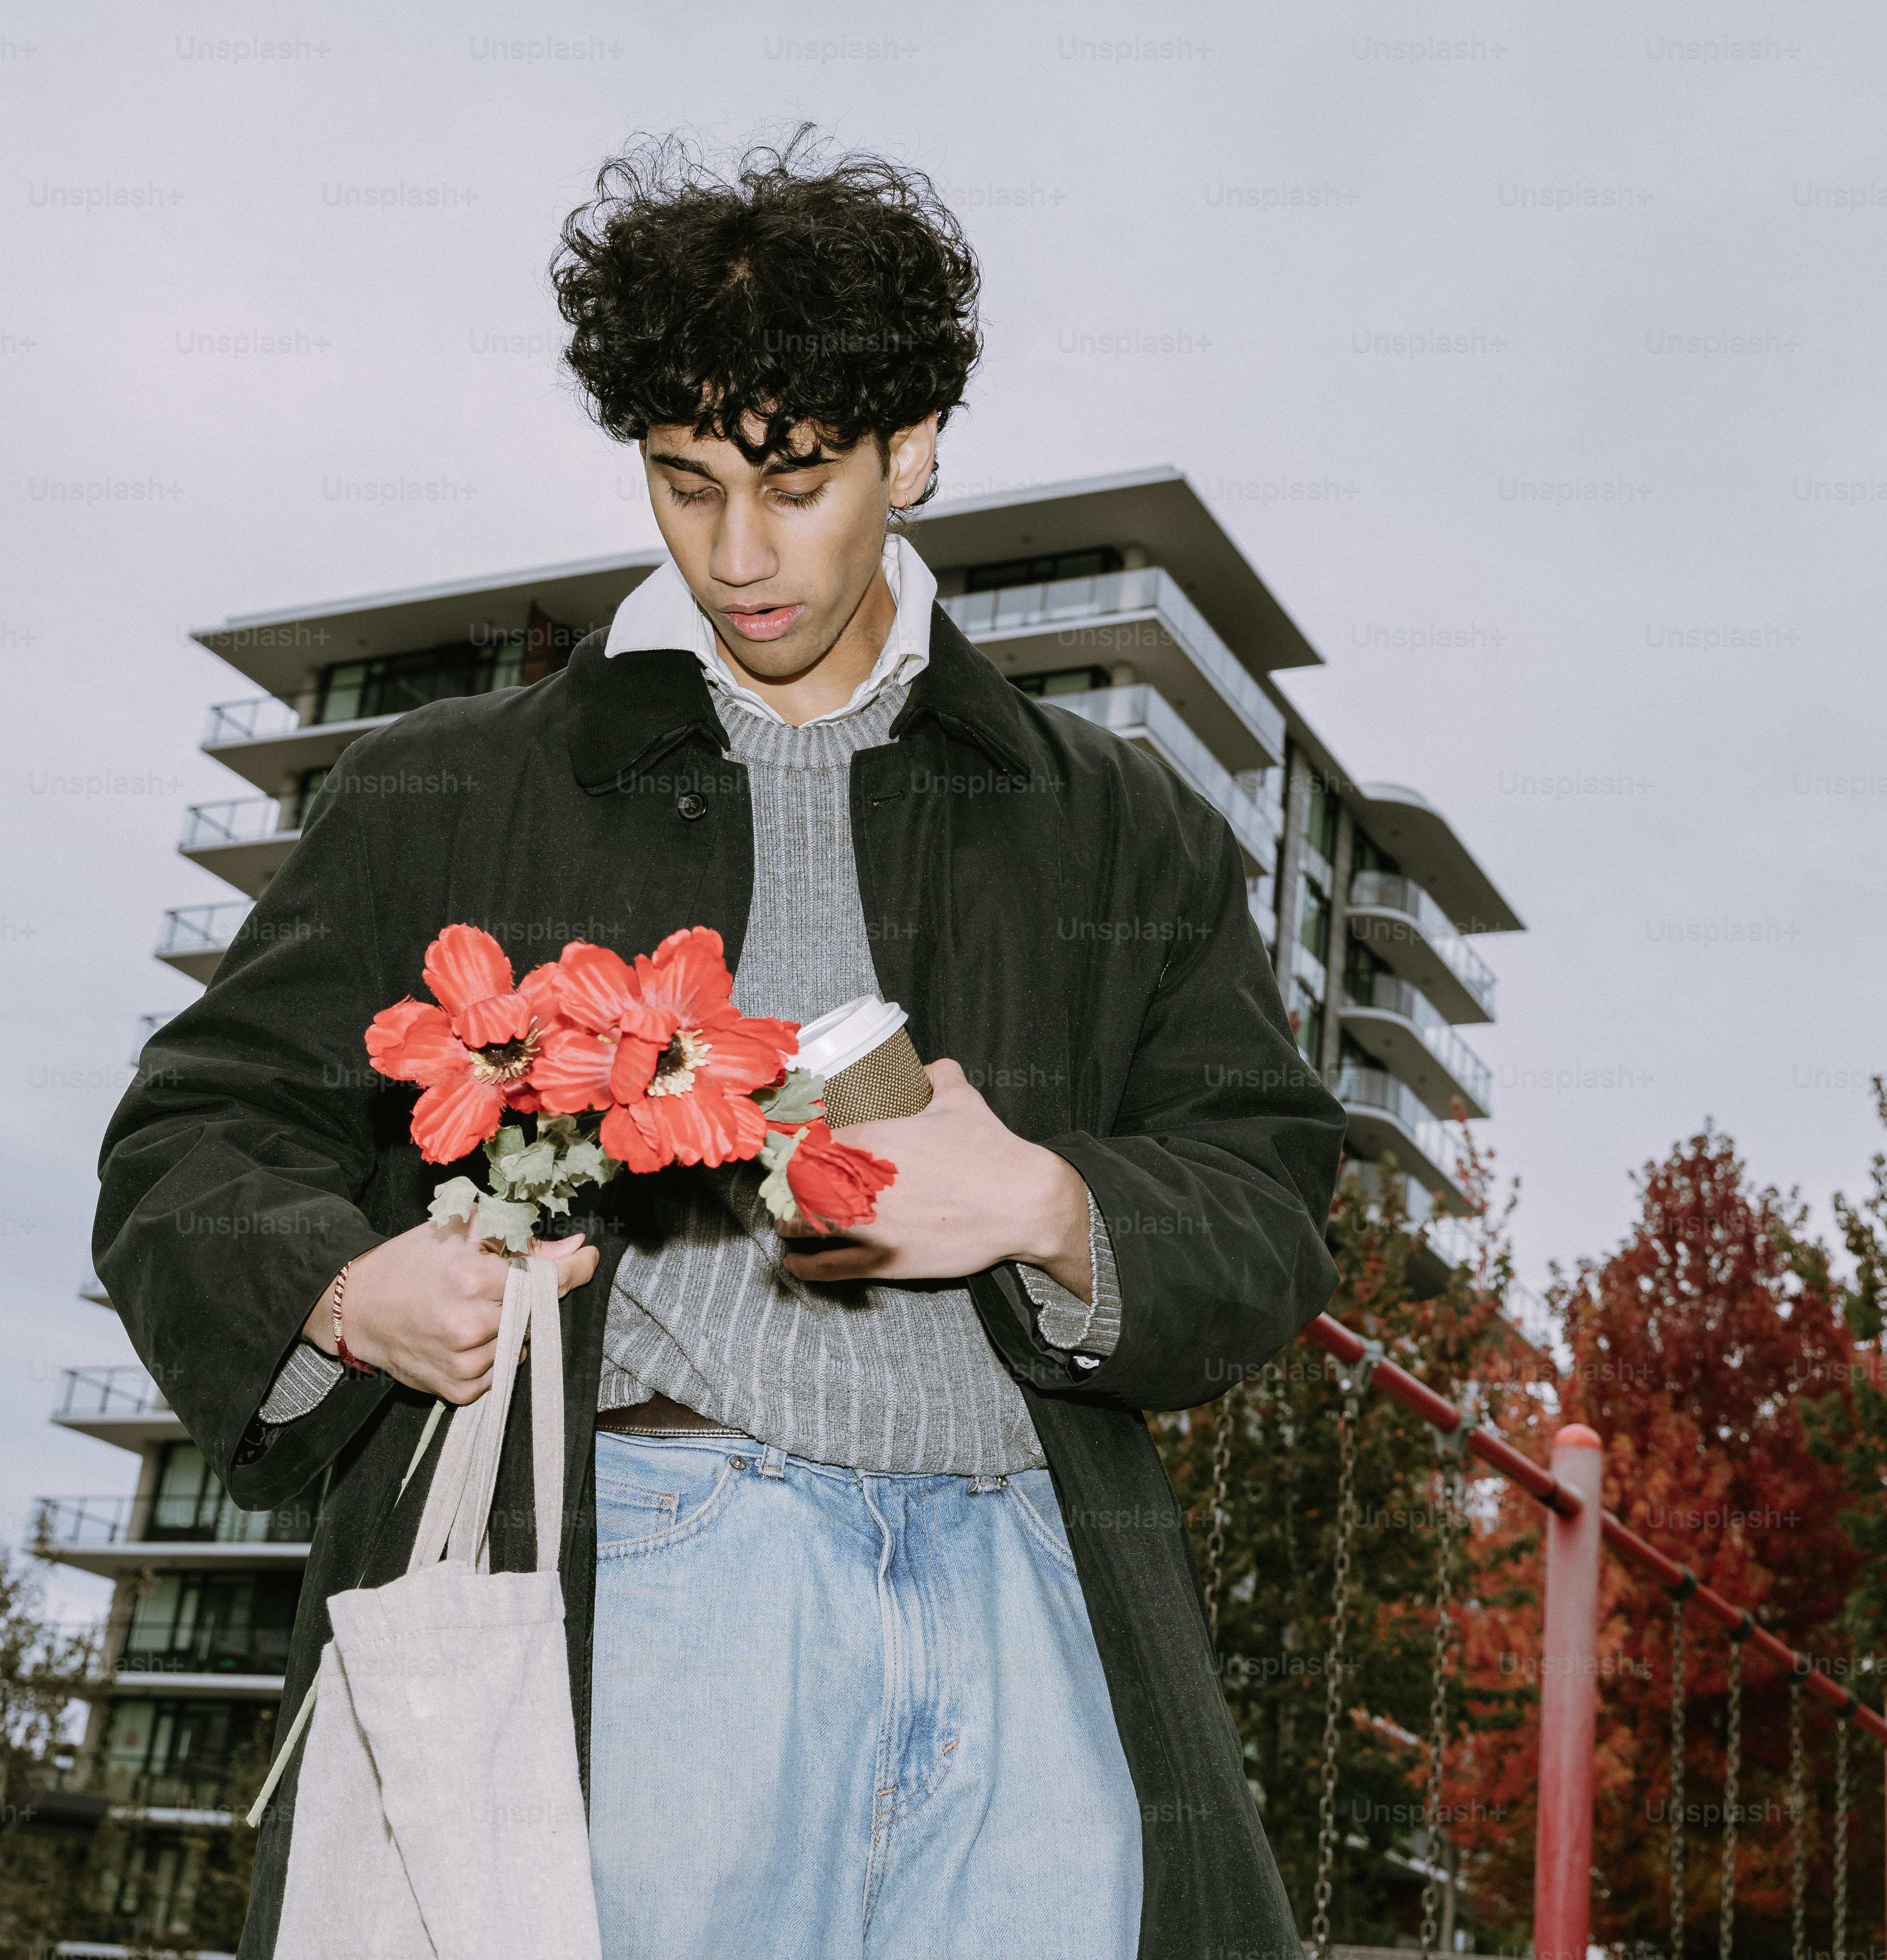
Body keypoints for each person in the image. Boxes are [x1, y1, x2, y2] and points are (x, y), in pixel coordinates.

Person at [96, 127, 1345, 1960]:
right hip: (655, 1574)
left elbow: (1270, 1196)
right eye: (685, 486)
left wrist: (1056, 1205)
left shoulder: (1116, 824)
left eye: (797, 480)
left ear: (911, 449)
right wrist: (343, 1287)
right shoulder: (445, 789)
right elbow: (188, 1138)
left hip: (1038, 1587)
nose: (737, 556)